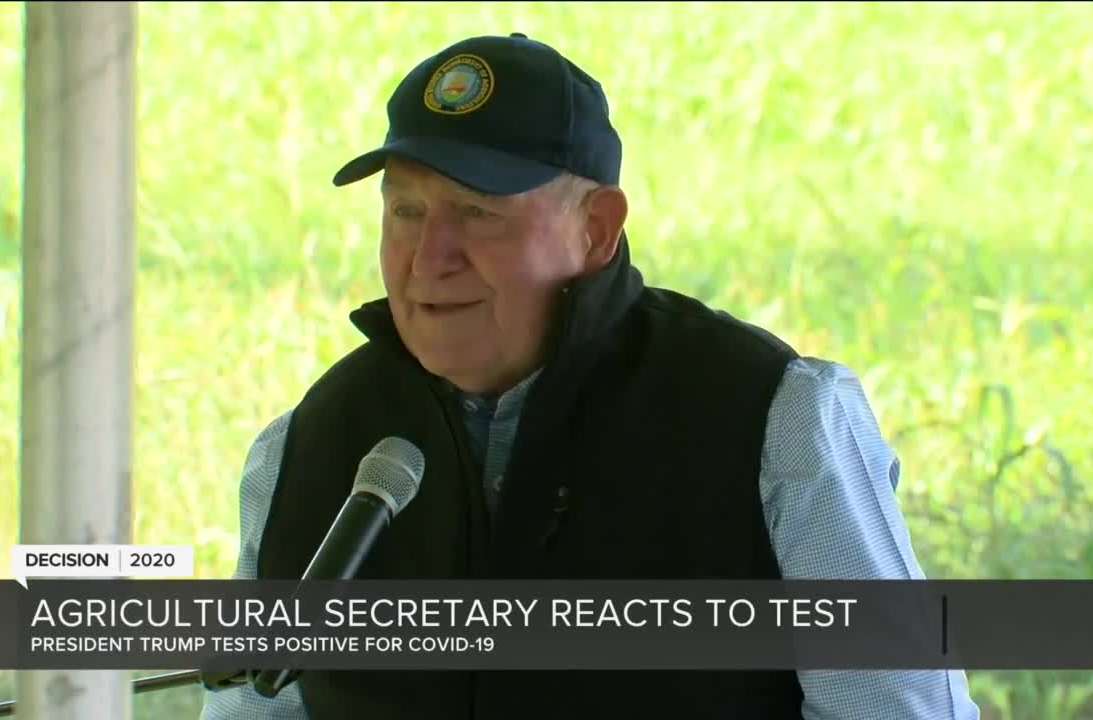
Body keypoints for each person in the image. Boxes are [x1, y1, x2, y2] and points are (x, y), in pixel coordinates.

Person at [201, 32, 981, 720]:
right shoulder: (307, 449)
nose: (430, 258)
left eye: (477, 213)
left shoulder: (770, 423)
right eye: (405, 211)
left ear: (596, 229)